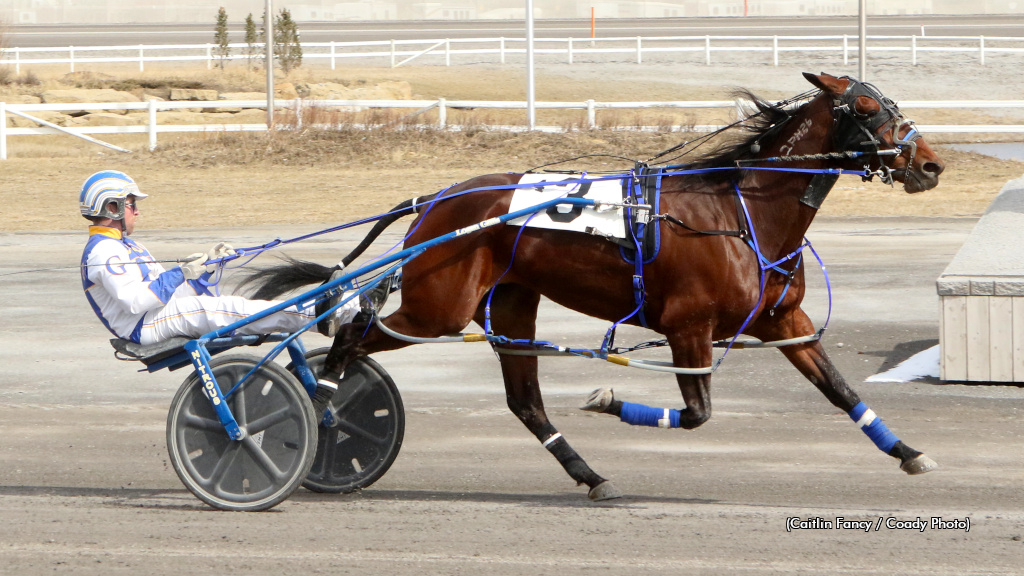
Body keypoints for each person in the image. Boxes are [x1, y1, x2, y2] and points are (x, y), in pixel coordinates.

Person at [79, 170, 387, 410]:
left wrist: (204, 269)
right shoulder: (103, 252)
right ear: (113, 206)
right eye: (132, 204)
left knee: (233, 307)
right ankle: (329, 312)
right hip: (143, 327)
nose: (137, 211)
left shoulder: (125, 245)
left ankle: (339, 308)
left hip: (157, 314)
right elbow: (135, 301)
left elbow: (167, 289)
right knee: (226, 310)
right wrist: (182, 273)